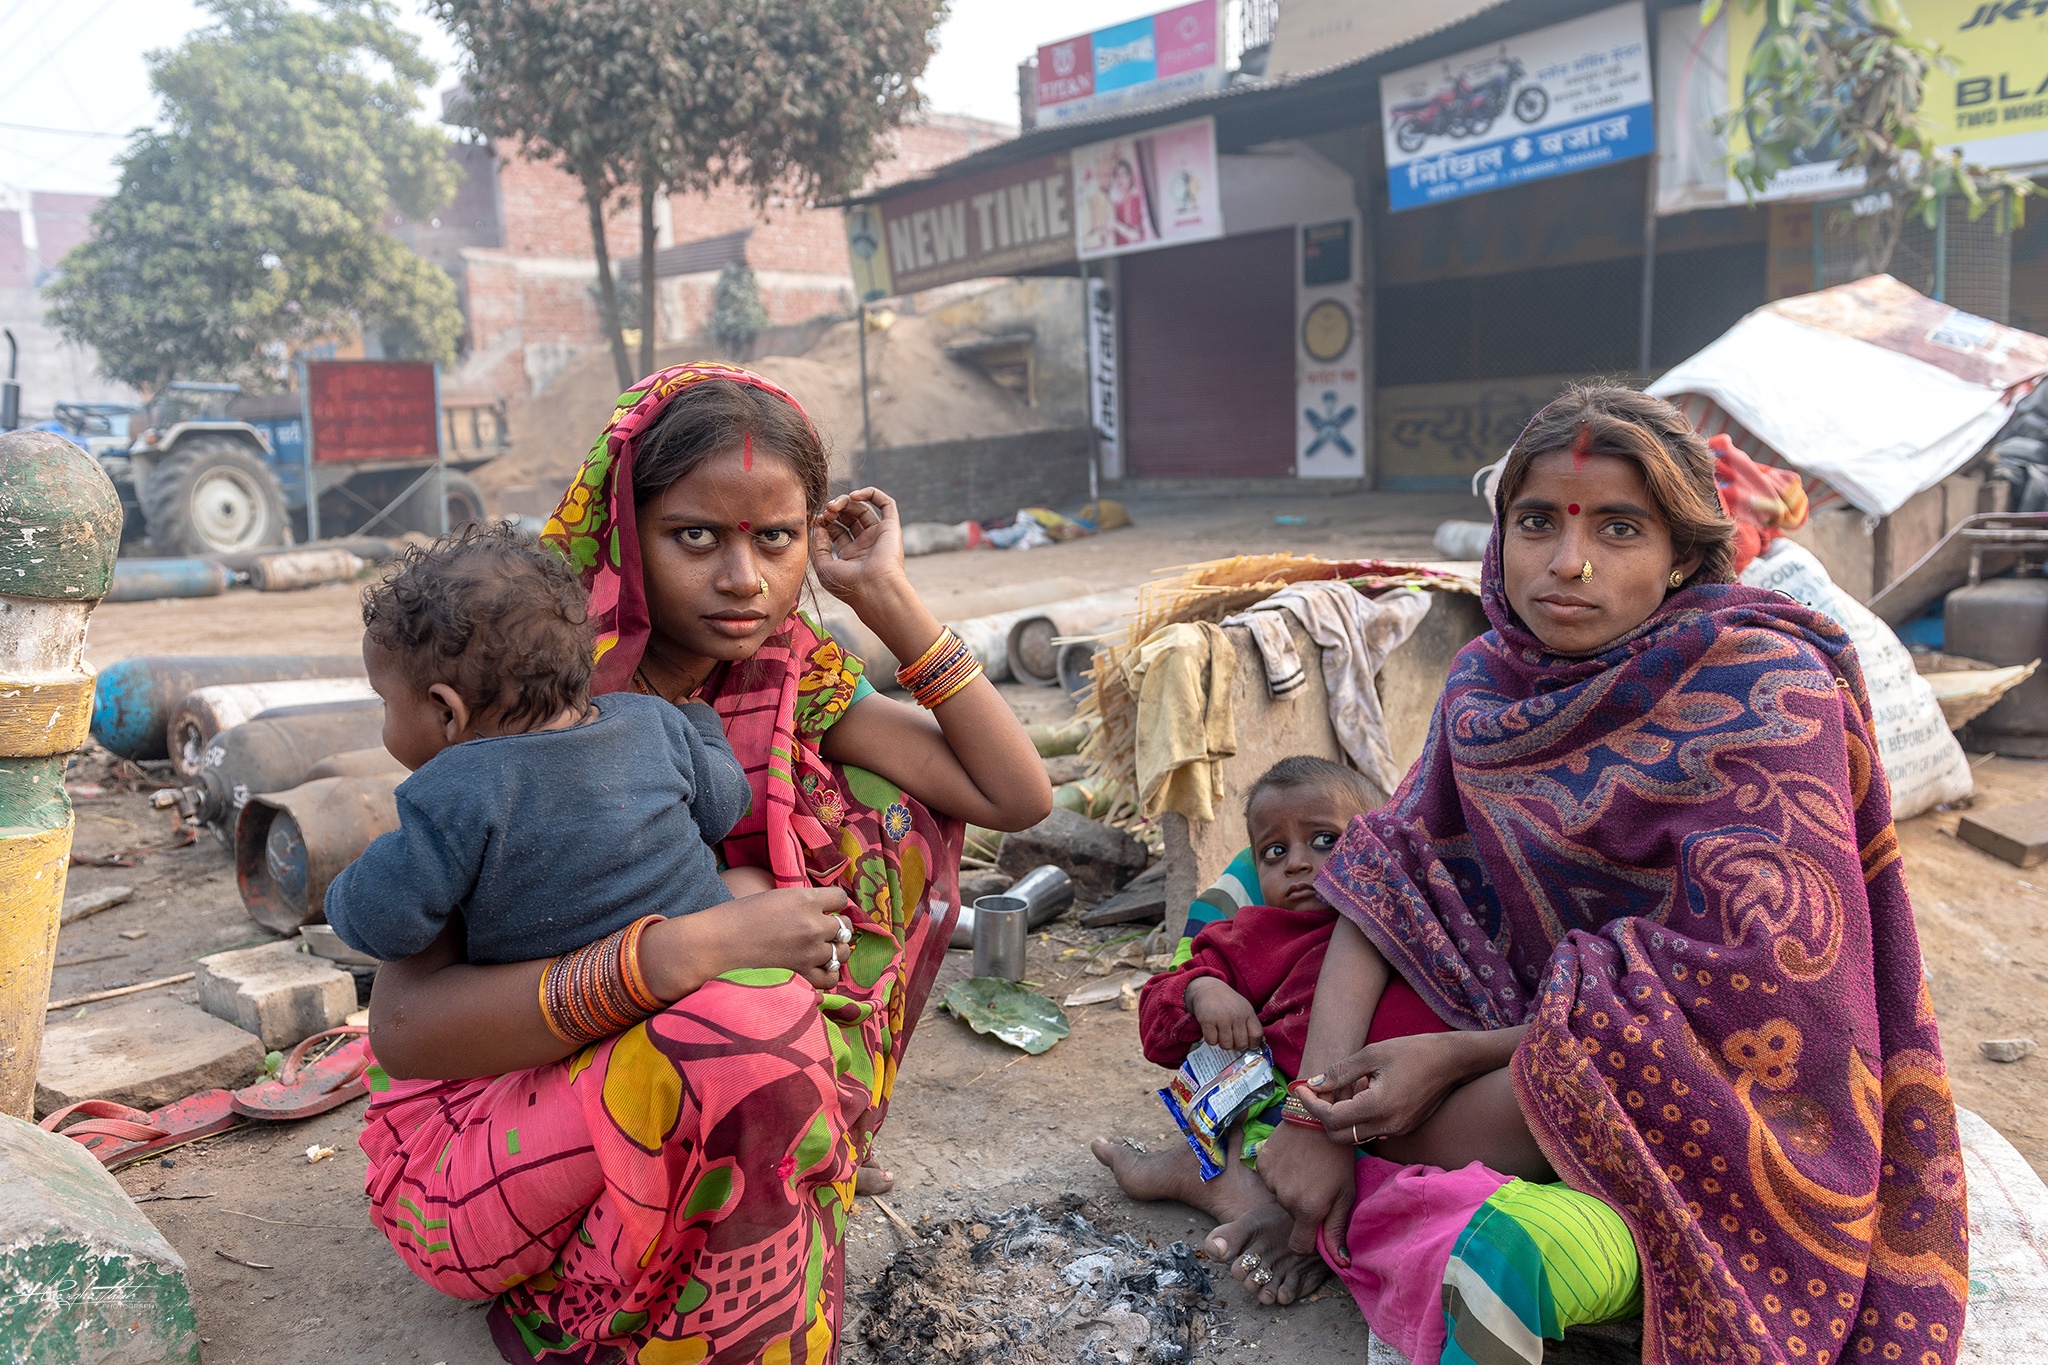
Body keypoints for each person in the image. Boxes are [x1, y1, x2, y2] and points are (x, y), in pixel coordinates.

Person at [1244, 385, 1968, 1365]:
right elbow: (1391, 872)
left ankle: (1472, 1227)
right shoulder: (1486, 685)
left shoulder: (1762, 690)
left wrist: (1456, 1059)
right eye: (1535, 523)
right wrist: (1313, 1109)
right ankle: (1390, 1187)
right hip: (1538, 1020)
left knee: (1392, 1109)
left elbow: (1773, 980)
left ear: (1681, 554)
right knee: (1296, 995)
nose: (1565, 563)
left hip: (1720, 1067)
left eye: (1617, 529)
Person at [351, 362, 1053, 1365]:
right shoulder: (529, 697)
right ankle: (626, 1284)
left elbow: (1011, 794)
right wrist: (692, 944)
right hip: (491, 1145)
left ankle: (785, 1141)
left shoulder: (785, 677)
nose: (742, 580)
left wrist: (885, 597)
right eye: (694, 538)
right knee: (736, 1020)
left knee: (888, 815)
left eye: (776, 539)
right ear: (625, 537)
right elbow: (411, 1027)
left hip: (707, 1062)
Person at [325, 525, 772, 968]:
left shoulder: (449, 794)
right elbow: (724, 804)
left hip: (572, 1013)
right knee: (752, 882)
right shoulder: (652, 720)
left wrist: (344, 893)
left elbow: (382, 925)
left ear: (447, 711)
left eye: (385, 702)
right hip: (704, 971)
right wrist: (702, 724)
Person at [1093, 756, 1449, 1308]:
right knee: (1285, 1157)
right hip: (1295, 1125)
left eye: (1324, 840)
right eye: (1273, 852)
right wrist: (1204, 991)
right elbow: (1158, 1017)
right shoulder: (1255, 935)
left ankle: (1221, 1187)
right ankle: (1211, 1182)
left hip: (1408, 1110)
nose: (1298, 865)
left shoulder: (1419, 921)